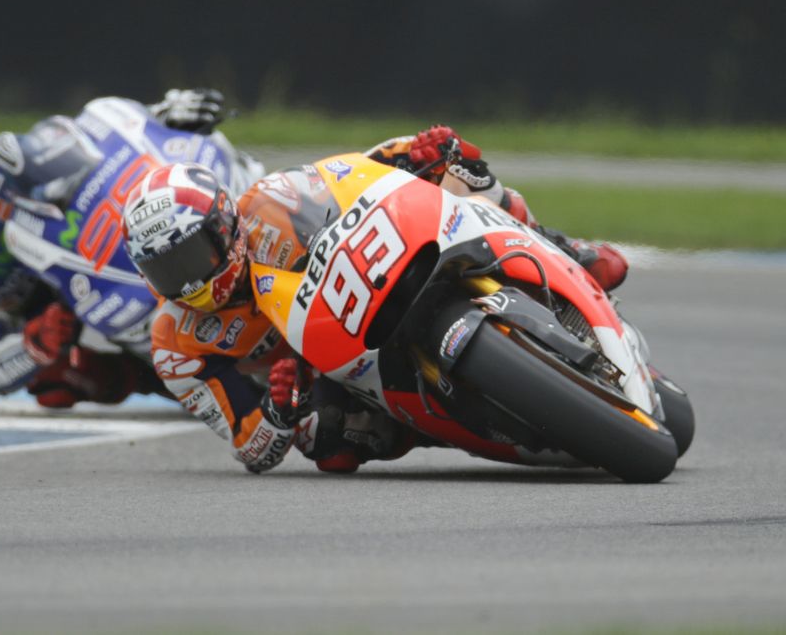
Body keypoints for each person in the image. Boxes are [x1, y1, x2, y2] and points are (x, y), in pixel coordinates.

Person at [121, 125, 629, 473]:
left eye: (191, 256)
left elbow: (353, 172)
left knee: (457, 176)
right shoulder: (174, 345)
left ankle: (564, 249)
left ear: (224, 226)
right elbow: (250, 447)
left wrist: (417, 152)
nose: (186, 280)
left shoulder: (269, 202)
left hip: (365, 277)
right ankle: (444, 426)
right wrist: (277, 411)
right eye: (166, 269)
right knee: (326, 445)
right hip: (322, 370)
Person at [0, 89, 264, 408]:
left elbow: (79, 142)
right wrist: (34, 344)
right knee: (56, 385)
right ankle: (163, 379)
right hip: (48, 315)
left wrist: (159, 115)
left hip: (82, 259)